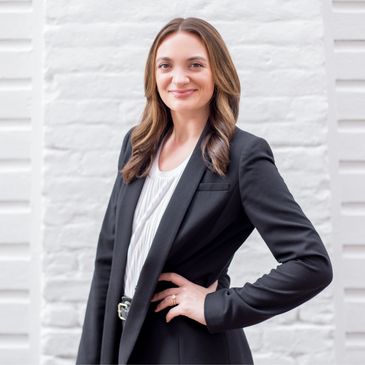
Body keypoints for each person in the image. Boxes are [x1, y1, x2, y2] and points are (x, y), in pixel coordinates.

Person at [76, 17, 333, 365]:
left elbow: (311, 263)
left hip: (192, 352)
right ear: (154, 75)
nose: (178, 78)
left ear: (218, 74)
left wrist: (217, 306)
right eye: (165, 65)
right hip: (124, 346)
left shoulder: (244, 156)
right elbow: (108, 263)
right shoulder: (137, 145)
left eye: (195, 65)